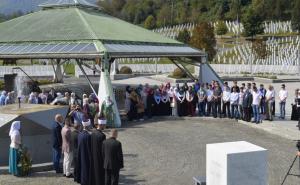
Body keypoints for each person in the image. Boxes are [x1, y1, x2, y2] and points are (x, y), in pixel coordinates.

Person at [76, 120, 92, 185]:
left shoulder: (80, 134)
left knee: (82, 167)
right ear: (88, 126)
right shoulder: (88, 136)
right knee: (86, 168)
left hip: (80, 153)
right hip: (87, 154)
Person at [91, 118, 107, 185]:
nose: (105, 126)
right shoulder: (102, 135)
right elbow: (103, 149)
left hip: (93, 155)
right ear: (101, 125)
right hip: (100, 156)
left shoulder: (92, 133)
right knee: (100, 172)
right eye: (104, 125)